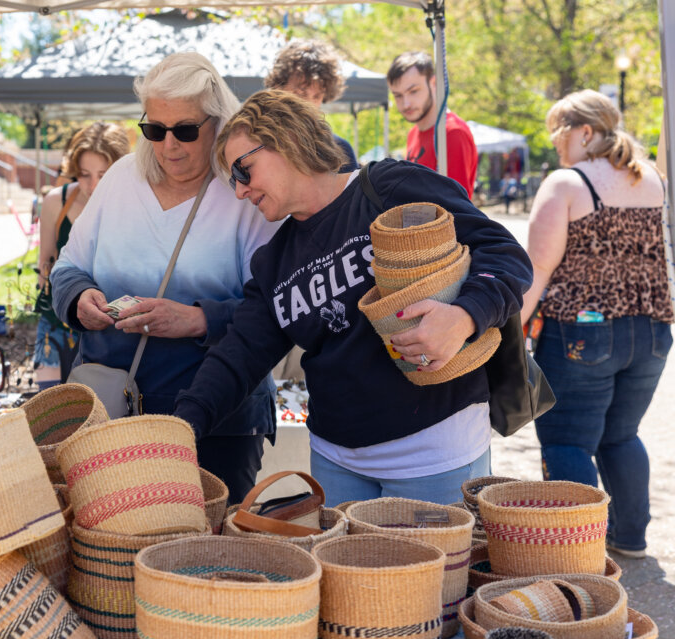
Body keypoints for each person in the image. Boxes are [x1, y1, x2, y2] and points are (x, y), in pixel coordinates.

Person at [172, 90, 532, 505]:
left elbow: (504, 255)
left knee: (435, 572)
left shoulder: (390, 187)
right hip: (335, 463)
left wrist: (465, 316)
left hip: (435, 452)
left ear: (285, 140)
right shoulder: (273, 261)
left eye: (244, 170)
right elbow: (240, 353)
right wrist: (184, 425)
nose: (239, 191)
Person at [50, 53, 282, 502]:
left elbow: (276, 304)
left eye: (185, 130)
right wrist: (80, 297)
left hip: (217, 421)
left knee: (206, 553)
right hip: (114, 413)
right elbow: (66, 268)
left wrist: (198, 319)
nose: (168, 145)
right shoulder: (121, 178)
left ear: (219, 122)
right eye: (154, 130)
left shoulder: (245, 192)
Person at [520, 90, 671, 559]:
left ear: (585, 131)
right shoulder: (653, 181)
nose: (554, 143)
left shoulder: (566, 183)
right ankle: (629, 538)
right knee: (622, 435)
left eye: (558, 132)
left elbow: (537, 269)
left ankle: (577, 551)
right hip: (650, 332)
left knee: (567, 440)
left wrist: (506, 332)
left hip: (581, 333)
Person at [35, 122, 130, 390]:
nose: (93, 185)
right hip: (58, 318)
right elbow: (46, 261)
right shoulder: (56, 201)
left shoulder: (131, 203)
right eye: (85, 174)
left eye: (103, 174)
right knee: (51, 402)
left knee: (103, 402)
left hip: (109, 322)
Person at [387, 51, 478, 199]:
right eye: (398, 95)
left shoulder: (452, 133)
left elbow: (459, 209)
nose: (406, 103)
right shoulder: (413, 134)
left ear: (434, 83)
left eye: (413, 91)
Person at [265, 38, 359, 172]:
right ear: (277, 88)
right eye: (300, 94)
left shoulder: (340, 150)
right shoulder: (255, 142)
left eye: (317, 96)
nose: (309, 105)